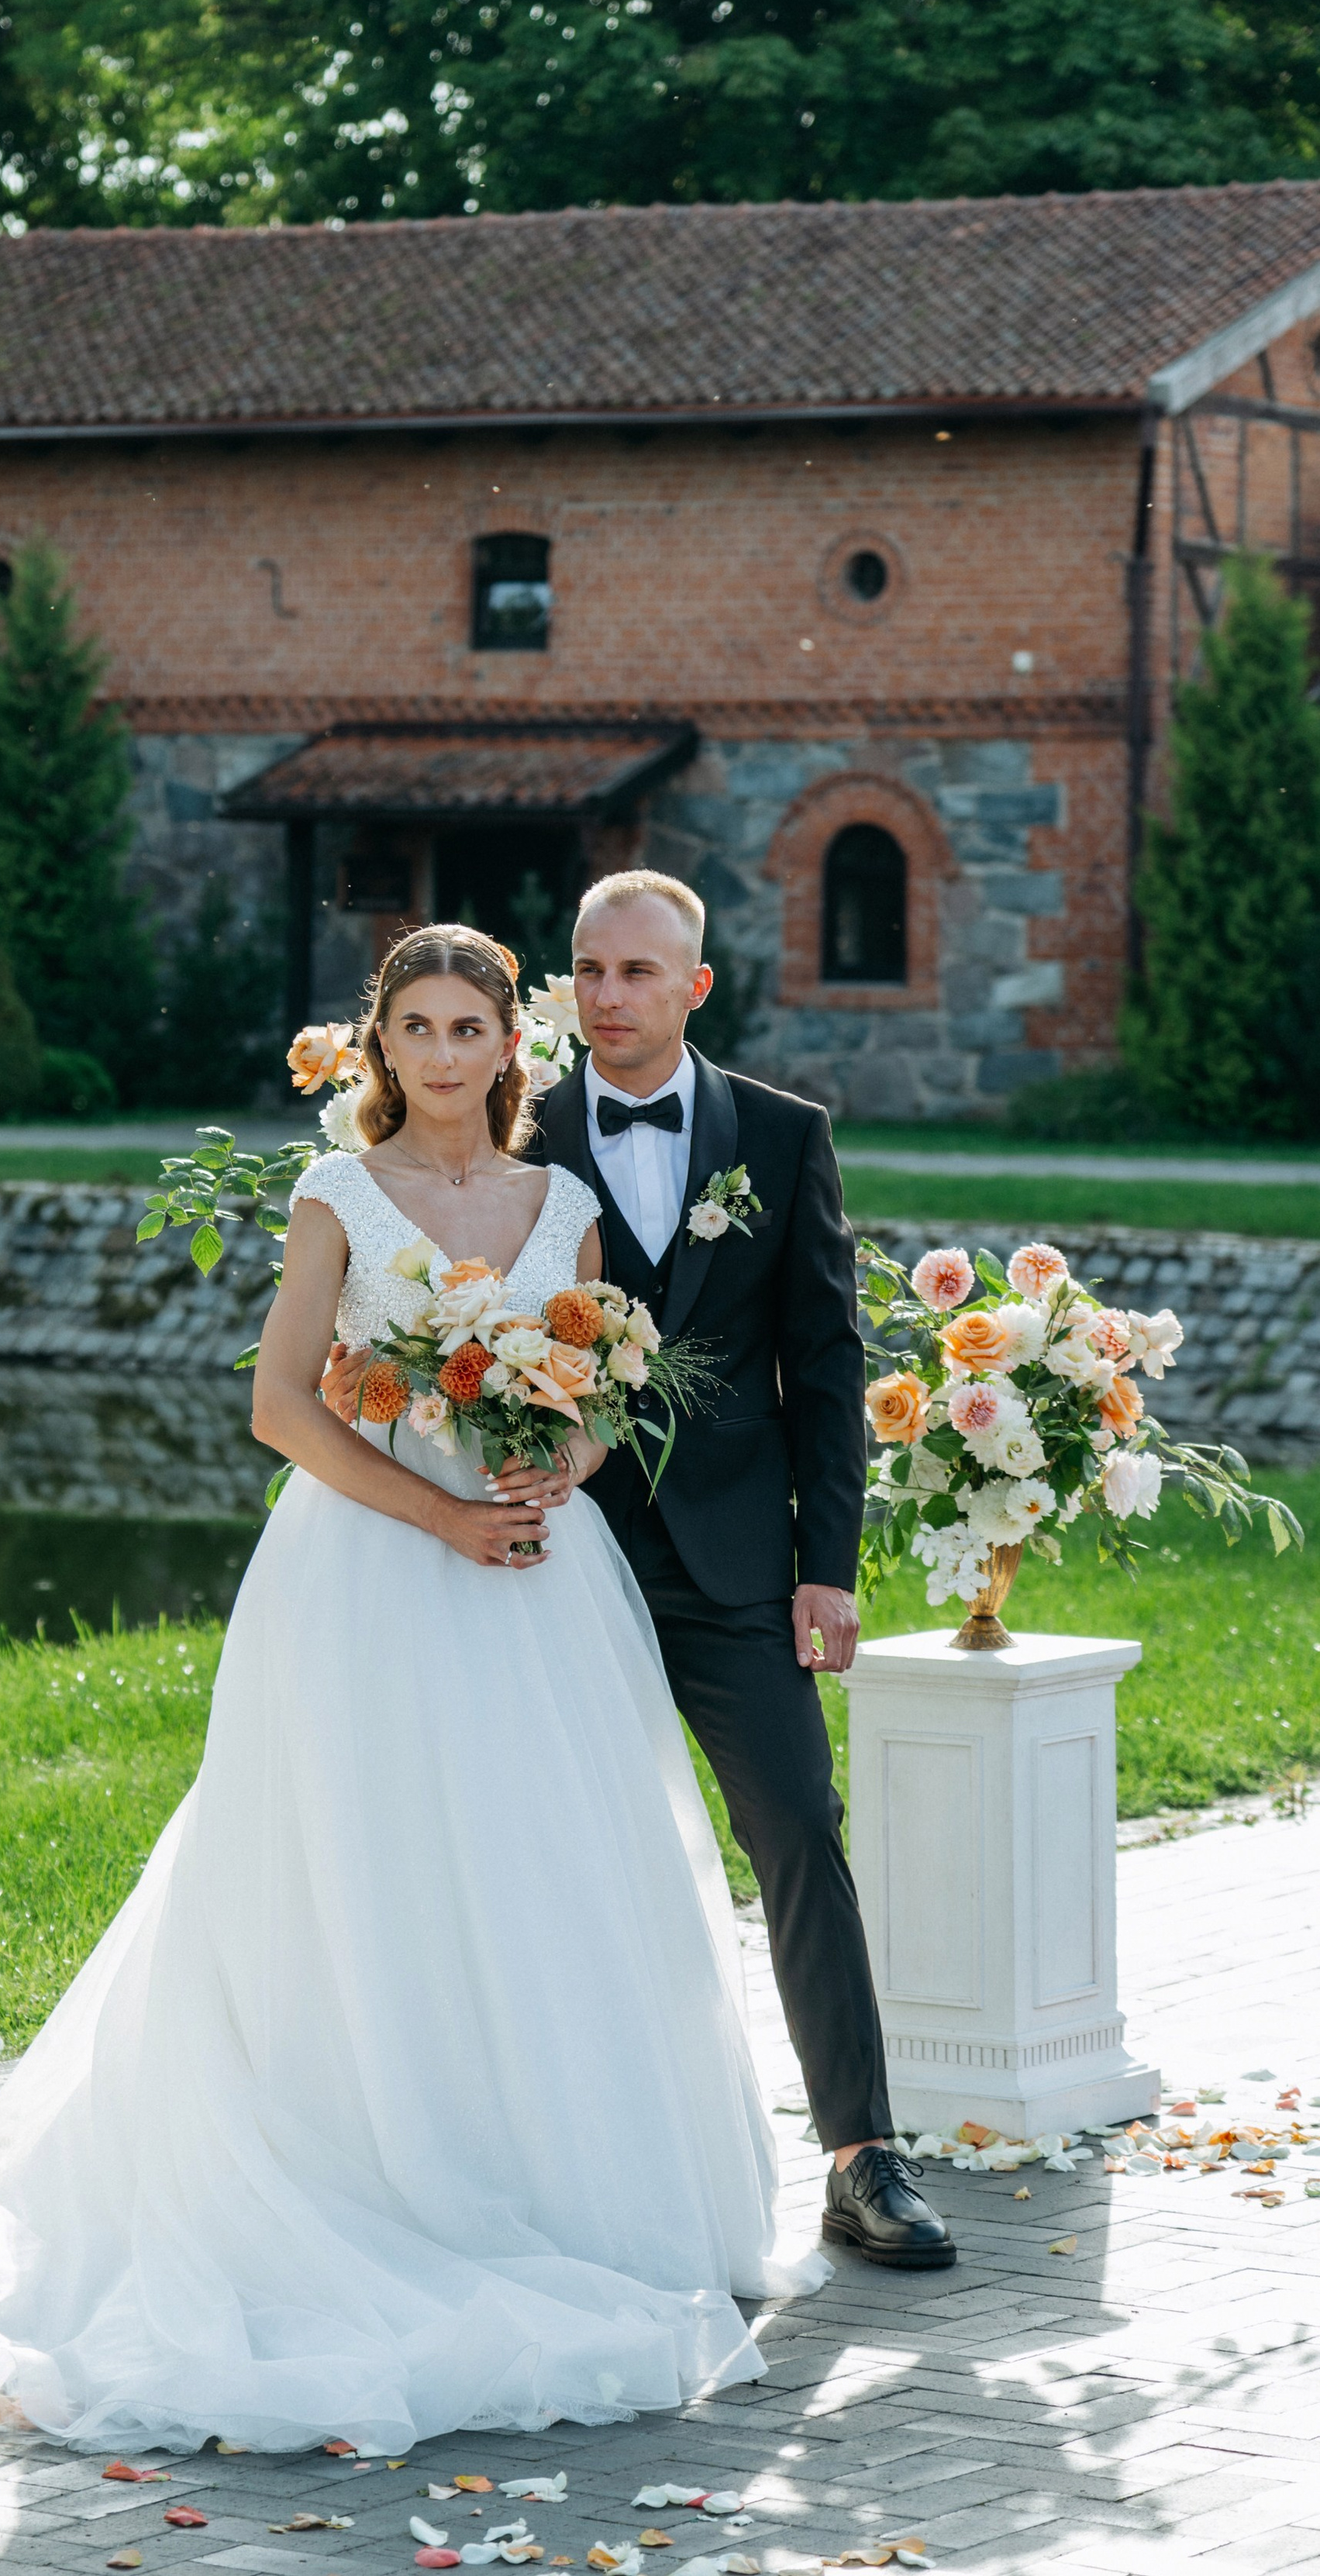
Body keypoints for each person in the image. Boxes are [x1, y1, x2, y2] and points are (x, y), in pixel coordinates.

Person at [0, 922, 829, 2454]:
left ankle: (543, 2173)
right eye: (416, 1029)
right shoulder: (336, 1196)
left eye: (469, 1030)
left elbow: (600, 1383)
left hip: (534, 1581)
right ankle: (357, 2154)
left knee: (533, 1865)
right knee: (354, 1860)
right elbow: (278, 1402)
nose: (443, 1056)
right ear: (381, 1048)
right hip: (366, 1567)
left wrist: (545, 1474)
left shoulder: (558, 1200)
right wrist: (439, 1508)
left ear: (515, 1048)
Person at [327, 872, 951, 2275]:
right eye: (588, 972)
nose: (607, 996)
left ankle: (864, 2156)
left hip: (736, 1566)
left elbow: (831, 1362)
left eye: (637, 974)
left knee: (796, 1825)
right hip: (547, 1561)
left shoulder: (785, 1140)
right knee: (534, 1862)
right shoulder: (502, 1125)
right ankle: (527, 2169)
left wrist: (826, 1567)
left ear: (695, 988)